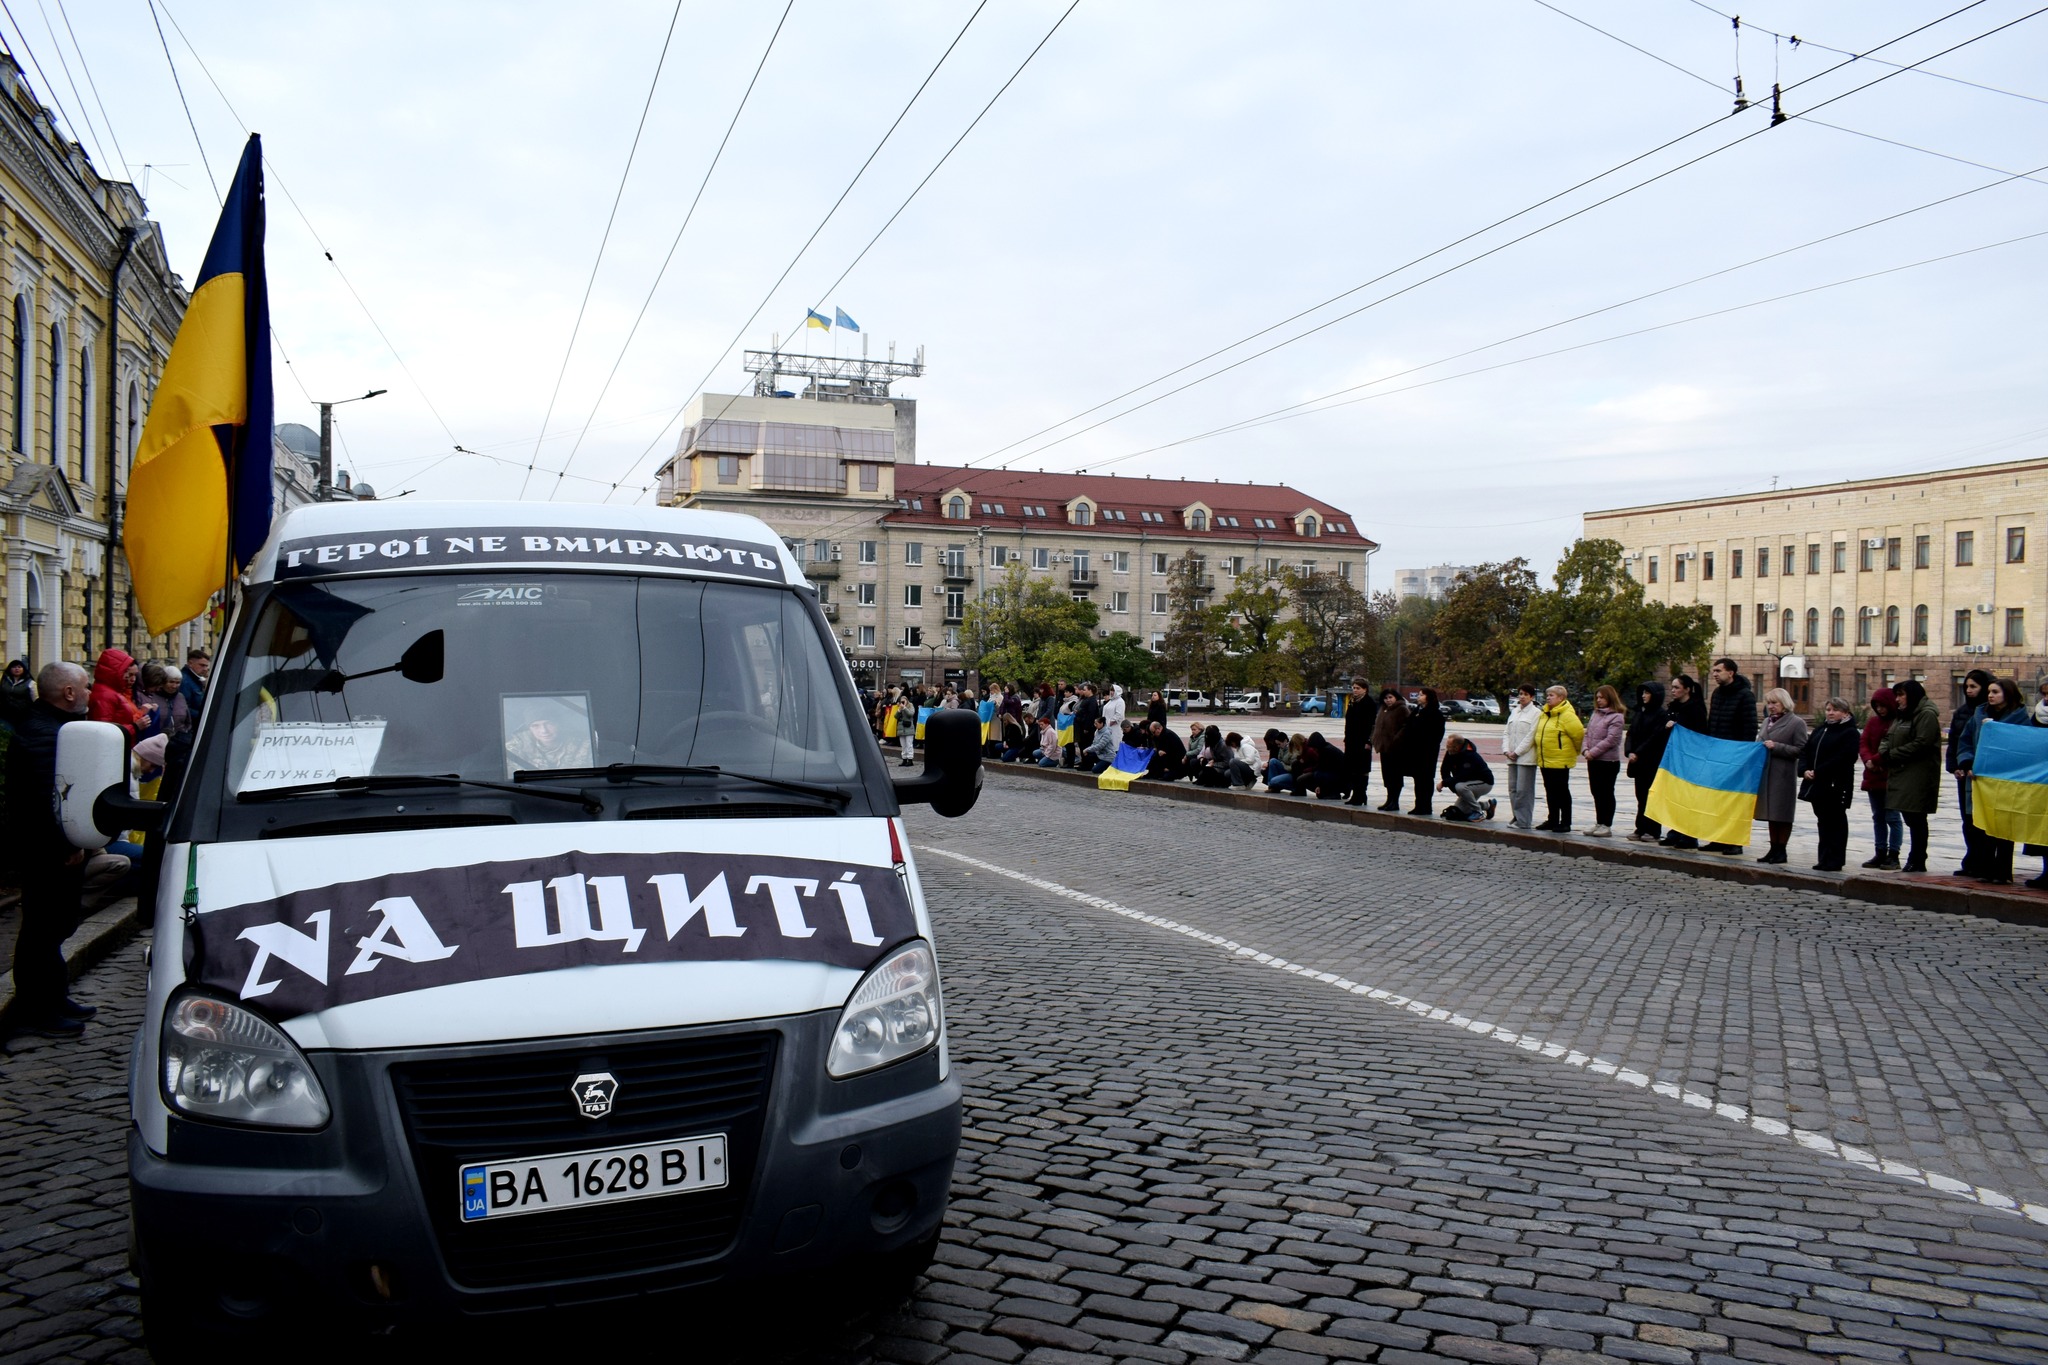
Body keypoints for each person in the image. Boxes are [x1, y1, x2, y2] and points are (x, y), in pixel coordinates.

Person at [6, 661, 96, 1037]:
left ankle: (54, 997)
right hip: (48, 851)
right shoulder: (45, 734)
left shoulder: (53, 728)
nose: (90, 692)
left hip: (51, 848)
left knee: (55, 926)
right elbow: (48, 799)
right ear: (69, 693)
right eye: (85, 686)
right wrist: (66, 845)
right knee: (42, 931)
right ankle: (37, 1010)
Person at [1955, 675, 2033, 884]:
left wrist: (1999, 731)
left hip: (2007, 781)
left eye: (1995, 692)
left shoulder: (2020, 719)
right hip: (1981, 779)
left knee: (2005, 824)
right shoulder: (1979, 714)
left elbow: (2023, 749)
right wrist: (1967, 762)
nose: (1990, 696)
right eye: (1989, 692)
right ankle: (1986, 867)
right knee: (1983, 823)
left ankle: (2003, 871)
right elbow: (1966, 741)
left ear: (2007, 695)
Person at [1878, 678, 1941, 873]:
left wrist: (1893, 754)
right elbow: (1888, 737)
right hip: (1901, 772)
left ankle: (1918, 858)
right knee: (1909, 816)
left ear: (1912, 695)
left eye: (1901, 695)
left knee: (1916, 818)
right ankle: (1915, 858)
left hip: (1918, 774)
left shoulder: (1926, 715)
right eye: (1896, 695)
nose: (1897, 700)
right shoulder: (1903, 715)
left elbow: (1923, 742)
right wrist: (1884, 752)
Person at [1702, 658, 1757, 853]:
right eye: (1713, 671)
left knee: (1733, 801)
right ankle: (1717, 838)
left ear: (1731, 673)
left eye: (1718, 671)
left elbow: (1749, 729)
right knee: (1717, 800)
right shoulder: (1717, 694)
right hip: (1716, 755)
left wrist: (1741, 756)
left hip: (1735, 757)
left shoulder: (1745, 696)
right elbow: (1712, 723)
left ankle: (1734, 842)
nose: (1714, 674)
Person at [1800, 697, 1860, 872]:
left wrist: (1819, 771)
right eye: (1828, 709)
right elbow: (1806, 750)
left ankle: (1835, 859)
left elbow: (1845, 758)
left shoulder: (1849, 733)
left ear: (1845, 713)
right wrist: (1805, 769)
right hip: (1816, 784)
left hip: (1835, 785)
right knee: (1823, 822)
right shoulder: (1821, 729)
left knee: (1836, 822)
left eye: (1835, 710)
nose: (1831, 713)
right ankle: (1824, 858)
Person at [1754, 687, 1810, 865]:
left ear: (1784, 703)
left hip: (1783, 774)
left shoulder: (1796, 723)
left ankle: (1781, 849)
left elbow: (1801, 749)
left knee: (1782, 813)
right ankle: (1773, 848)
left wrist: (1777, 746)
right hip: (1766, 773)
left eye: (1774, 703)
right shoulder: (1766, 722)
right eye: (1768, 703)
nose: (1771, 706)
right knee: (1771, 813)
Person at [1946, 669, 1992, 878]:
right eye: (1967, 687)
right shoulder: (1962, 712)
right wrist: (1954, 765)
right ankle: (1971, 859)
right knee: (1967, 818)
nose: (1969, 690)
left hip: (1985, 774)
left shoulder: (1990, 712)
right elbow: (1955, 741)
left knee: (1984, 819)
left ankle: (1986, 860)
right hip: (1964, 774)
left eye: (1974, 686)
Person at [1659, 674, 1708, 850]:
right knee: (1676, 796)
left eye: (1676, 687)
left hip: (1690, 758)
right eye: (1671, 687)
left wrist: (1677, 725)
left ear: (1687, 689)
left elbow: (1698, 732)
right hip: (1675, 758)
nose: (1673, 691)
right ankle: (1675, 830)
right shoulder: (1674, 707)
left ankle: (1689, 835)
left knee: (1688, 798)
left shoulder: (1694, 708)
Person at [1859, 688, 1902, 869]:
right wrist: (1868, 760)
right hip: (1873, 776)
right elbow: (1864, 743)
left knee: (1893, 817)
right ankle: (1880, 851)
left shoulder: (1898, 723)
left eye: (1883, 705)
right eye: (1877, 706)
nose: (1880, 709)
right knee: (1878, 817)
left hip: (1891, 776)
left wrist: (1877, 760)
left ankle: (1894, 854)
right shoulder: (1873, 722)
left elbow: (1894, 747)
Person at [1533, 685, 1585, 833]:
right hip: (1545, 759)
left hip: (1560, 760)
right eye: (1547, 695)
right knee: (1550, 791)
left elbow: (1578, 735)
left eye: (1552, 695)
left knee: (1562, 792)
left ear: (1561, 698)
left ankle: (1565, 822)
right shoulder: (1545, 713)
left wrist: (1572, 752)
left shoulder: (1567, 715)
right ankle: (1552, 819)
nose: (1548, 698)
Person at [1624, 681, 1669, 842]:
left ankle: (1653, 830)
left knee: (1652, 796)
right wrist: (1629, 751)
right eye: (1642, 693)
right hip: (1637, 763)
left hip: (1652, 761)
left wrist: (1638, 752)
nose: (1643, 696)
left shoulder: (1661, 714)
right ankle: (1640, 827)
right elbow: (1631, 733)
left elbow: (1655, 737)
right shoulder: (1640, 712)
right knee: (1641, 796)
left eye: (1647, 693)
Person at [1582, 685, 1625, 837]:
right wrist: (1585, 749)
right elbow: (1587, 734)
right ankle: (1599, 821)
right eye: (1597, 698)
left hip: (1607, 762)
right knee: (1596, 792)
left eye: (1602, 697)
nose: (1599, 700)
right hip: (1593, 760)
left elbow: (1611, 739)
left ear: (1610, 698)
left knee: (1606, 792)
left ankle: (1606, 824)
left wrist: (1593, 752)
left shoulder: (1617, 717)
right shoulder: (1596, 714)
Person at [1401, 688, 1446, 815]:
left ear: (1428, 697)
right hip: (1414, 751)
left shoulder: (1435, 713)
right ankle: (1418, 805)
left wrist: (1427, 745)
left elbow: (1437, 734)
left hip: (1427, 752)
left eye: (1421, 695)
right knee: (1418, 779)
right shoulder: (1417, 710)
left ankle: (1426, 805)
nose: (1418, 697)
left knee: (1425, 779)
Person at [1501, 684, 1539, 830]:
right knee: (1513, 789)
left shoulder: (1536, 713)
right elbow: (1507, 732)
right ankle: (1516, 816)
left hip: (1526, 758)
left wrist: (1517, 752)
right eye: (1520, 694)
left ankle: (1524, 820)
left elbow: (1531, 736)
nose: (1522, 697)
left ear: (1532, 697)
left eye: (1525, 694)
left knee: (1524, 790)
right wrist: (1506, 750)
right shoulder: (1515, 712)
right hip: (1511, 757)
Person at [87, 646, 142, 740]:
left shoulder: (114, 691)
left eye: (134, 675)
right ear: (117, 672)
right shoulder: (105, 696)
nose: (132, 679)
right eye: (128, 674)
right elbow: (104, 732)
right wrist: (135, 727)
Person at [1437, 734, 1496, 822]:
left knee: (1460, 787)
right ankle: (1488, 805)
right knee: (1460, 811)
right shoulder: (1451, 752)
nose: (1447, 748)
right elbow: (1444, 770)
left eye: (1450, 746)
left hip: (1484, 783)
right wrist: (1454, 789)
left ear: (1457, 746)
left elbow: (1463, 776)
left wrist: (1444, 783)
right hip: (1467, 784)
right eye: (1447, 746)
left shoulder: (1469, 755)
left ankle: (1478, 812)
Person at [1371, 688, 1408, 811]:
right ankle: (1389, 799)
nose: (1388, 700)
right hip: (1384, 748)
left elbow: (1406, 727)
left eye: (1390, 697)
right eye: (1386, 698)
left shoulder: (1402, 709)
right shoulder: (1382, 709)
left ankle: (1395, 801)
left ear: (1396, 697)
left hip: (1396, 749)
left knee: (1395, 776)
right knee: (1387, 775)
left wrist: (1396, 739)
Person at [1342, 679, 1373, 806]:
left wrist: (1369, 741)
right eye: (1354, 688)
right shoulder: (1353, 702)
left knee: (1361, 770)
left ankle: (1360, 795)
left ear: (1365, 689)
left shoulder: (1368, 703)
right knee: (1352, 770)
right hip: (1351, 741)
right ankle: (1357, 795)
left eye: (1358, 688)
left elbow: (1371, 724)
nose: (1355, 690)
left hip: (1362, 742)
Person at [1262, 728, 1297, 793]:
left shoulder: (1292, 751)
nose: (1278, 746)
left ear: (1285, 741)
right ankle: (1272, 787)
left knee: (1274, 781)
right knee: (1273, 761)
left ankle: (1293, 787)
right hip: (1284, 770)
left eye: (1279, 744)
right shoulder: (1281, 749)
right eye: (1277, 744)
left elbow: (1293, 768)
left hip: (1290, 773)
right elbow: (1279, 760)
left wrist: (1283, 765)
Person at [0, 657, 30, 726]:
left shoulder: (30, 683)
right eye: (14, 667)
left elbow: (35, 698)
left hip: (22, 714)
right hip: (5, 714)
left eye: (19, 667)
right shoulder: (4, 681)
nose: (17, 669)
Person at [895, 689, 919, 767]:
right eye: (901, 701)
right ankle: (904, 759)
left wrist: (904, 708)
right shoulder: (900, 707)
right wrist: (899, 709)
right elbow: (895, 716)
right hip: (901, 728)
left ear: (907, 700)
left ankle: (910, 760)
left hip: (909, 727)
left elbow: (911, 714)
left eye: (904, 701)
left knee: (909, 744)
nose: (902, 702)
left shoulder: (910, 706)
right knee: (903, 745)